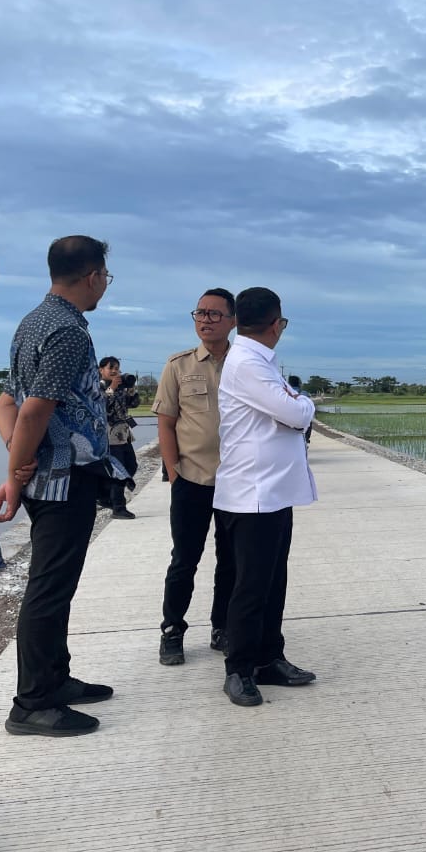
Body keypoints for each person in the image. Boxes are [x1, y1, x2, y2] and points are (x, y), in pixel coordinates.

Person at [0, 236, 128, 736]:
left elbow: (8, 402)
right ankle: (32, 702)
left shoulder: (32, 322)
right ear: (92, 275)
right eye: (105, 278)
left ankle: (55, 679)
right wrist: (15, 468)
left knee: (57, 584)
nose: (104, 288)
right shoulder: (67, 330)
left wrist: (17, 458)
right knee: (49, 588)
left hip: (50, 475)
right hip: (62, 478)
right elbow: (33, 408)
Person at [214, 286, 318, 707]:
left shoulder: (259, 362)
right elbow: (296, 413)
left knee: (273, 581)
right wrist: (302, 404)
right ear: (278, 324)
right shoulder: (246, 363)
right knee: (250, 586)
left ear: (238, 319)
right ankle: (239, 668)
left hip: (273, 491)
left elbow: (289, 412)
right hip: (250, 493)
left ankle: (269, 657)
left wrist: (295, 406)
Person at [154, 288, 238, 665]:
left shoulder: (246, 364)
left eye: (214, 314)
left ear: (233, 321)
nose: (205, 320)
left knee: (231, 559)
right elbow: (166, 424)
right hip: (191, 480)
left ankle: (223, 626)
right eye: (200, 313)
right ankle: (172, 630)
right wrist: (174, 474)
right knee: (184, 559)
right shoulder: (179, 365)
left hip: (237, 481)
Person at [98, 355, 140, 519]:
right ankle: (118, 506)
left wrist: (131, 389)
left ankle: (104, 495)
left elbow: (133, 404)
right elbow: (101, 407)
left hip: (123, 434)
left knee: (131, 466)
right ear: (101, 370)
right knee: (119, 470)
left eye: (117, 368)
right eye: (111, 368)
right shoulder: (98, 387)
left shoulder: (120, 387)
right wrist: (112, 388)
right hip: (108, 435)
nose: (115, 371)